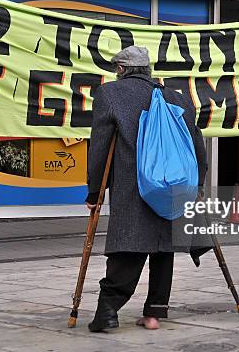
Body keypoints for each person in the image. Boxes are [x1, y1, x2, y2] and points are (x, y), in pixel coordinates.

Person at [85, 46, 207, 332]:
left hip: (134, 187)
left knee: (129, 244)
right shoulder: (177, 98)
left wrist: (95, 192)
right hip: (175, 185)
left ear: (120, 69)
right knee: (164, 245)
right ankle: (154, 313)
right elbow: (195, 143)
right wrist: (197, 183)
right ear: (148, 69)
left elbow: (100, 146)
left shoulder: (110, 94)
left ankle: (108, 311)